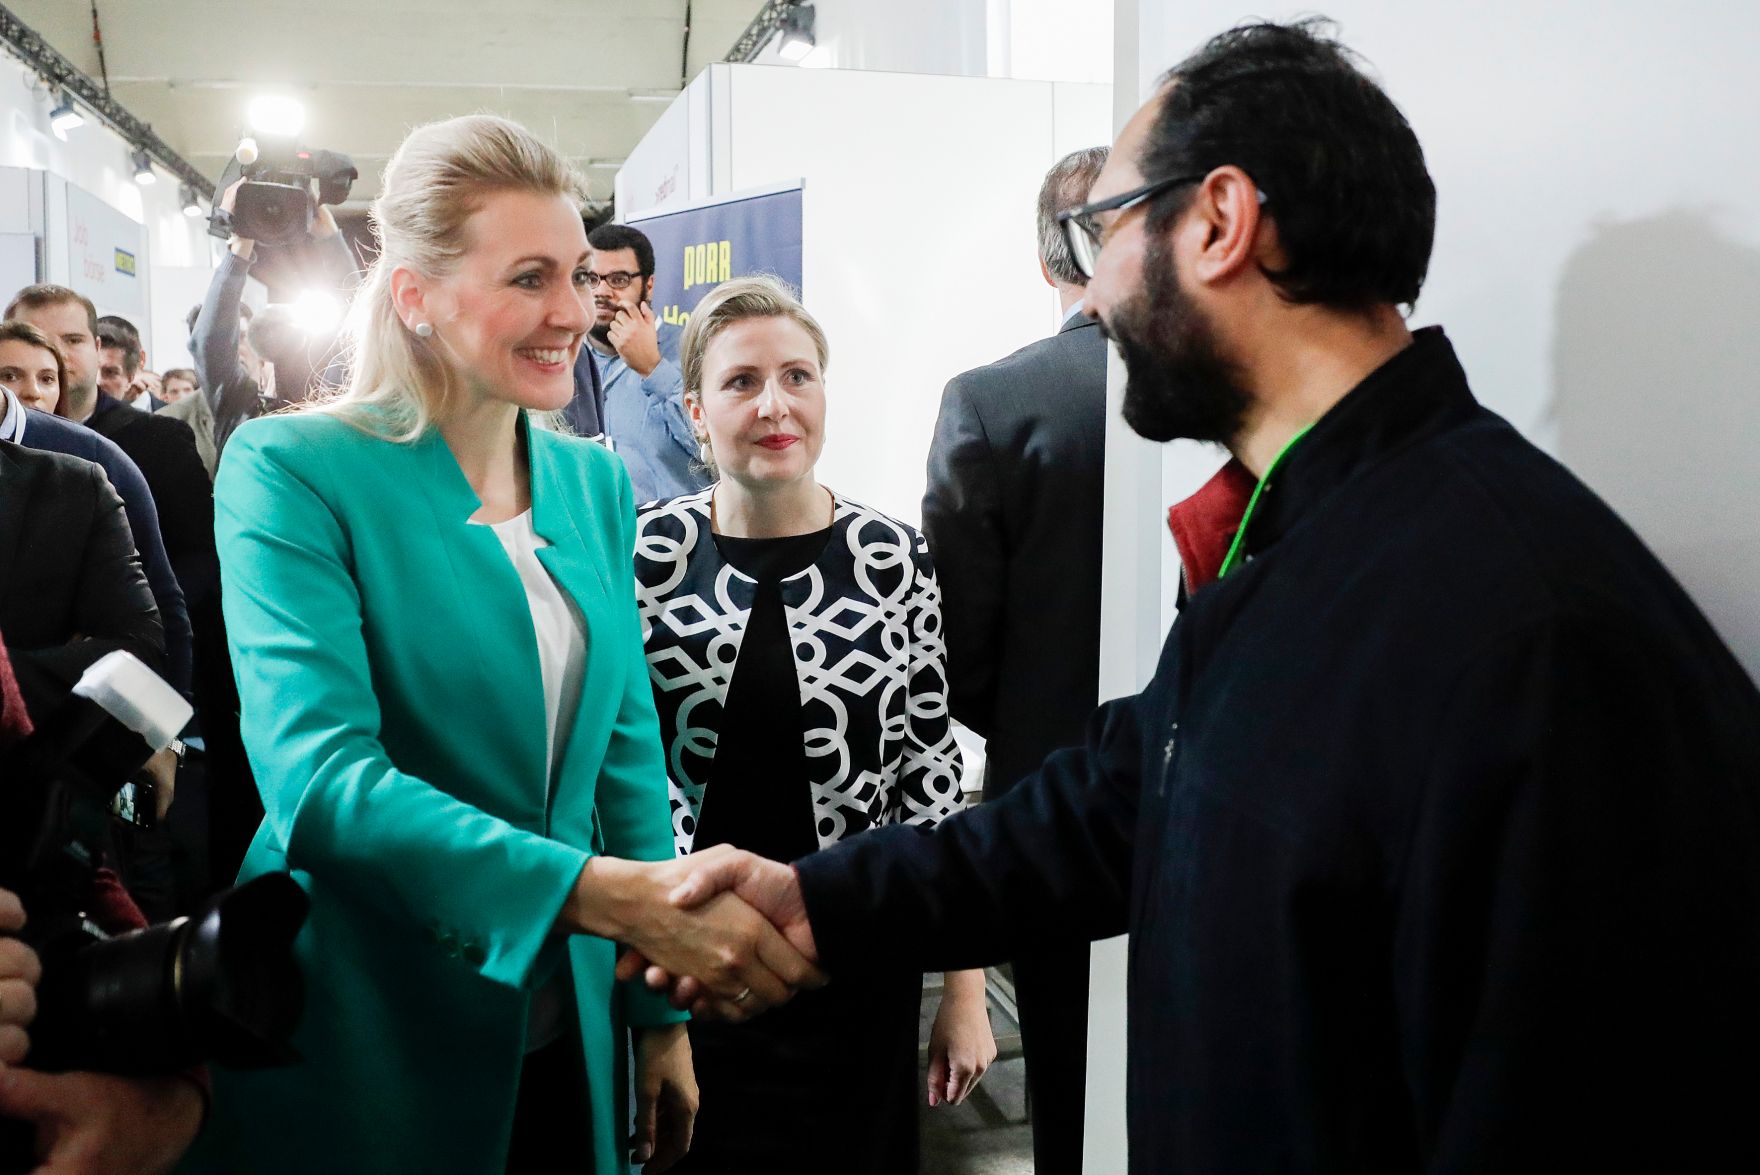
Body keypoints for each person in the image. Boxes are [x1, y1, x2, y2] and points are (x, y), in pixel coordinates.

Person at [640, 20, 1760, 1173]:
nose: (1095, 286)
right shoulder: (1296, 536)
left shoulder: (1523, 624)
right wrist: (815, 898)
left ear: (1216, 222)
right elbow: (1106, 808)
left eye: (1104, 227)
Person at [183, 115, 818, 1175]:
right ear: (415, 296)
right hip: (364, 1016)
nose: (573, 311)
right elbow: (320, 782)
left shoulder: (592, 480)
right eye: (530, 277)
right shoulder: (292, 468)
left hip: (563, 1021)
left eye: (578, 275)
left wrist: (654, 1012)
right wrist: (603, 896)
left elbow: (624, 755)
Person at [633, 277, 990, 1173]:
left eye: (798, 376)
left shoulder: (892, 557)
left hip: (855, 955)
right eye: (741, 381)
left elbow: (929, 773)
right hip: (690, 961)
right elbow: (620, 771)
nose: (774, 404)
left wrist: (966, 986)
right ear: (694, 408)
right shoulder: (644, 553)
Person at [920, 144, 1108, 1174]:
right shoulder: (1235, 390)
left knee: (1070, 1087)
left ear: (1048, 263)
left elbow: (960, 643)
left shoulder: (990, 402)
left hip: (1055, 793)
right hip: (1237, 787)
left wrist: (1037, 723)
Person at [0, 319, 189, 703]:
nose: (31, 392)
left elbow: (148, 630)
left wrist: (169, 733)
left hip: (44, 747)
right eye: (10, 374)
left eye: (47, 378)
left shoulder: (88, 468)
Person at [187, 183, 356, 461]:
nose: (283, 359)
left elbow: (358, 332)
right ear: (259, 356)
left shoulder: (327, 403)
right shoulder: (240, 404)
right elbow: (209, 344)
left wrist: (331, 239)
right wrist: (239, 248)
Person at [569, 223, 710, 501]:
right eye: (591, 278)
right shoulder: (567, 359)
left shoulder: (693, 350)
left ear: (648, 285)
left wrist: (653, 369)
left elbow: (713, 449)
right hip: (593, 536)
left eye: (619, 280)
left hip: (677, 537)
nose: (602, 292)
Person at [97, 315, 164, 411]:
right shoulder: (71, 418)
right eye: (90, 372)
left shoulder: (176, 417)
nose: (98, 381)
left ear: (141, 359)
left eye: (110, 372)